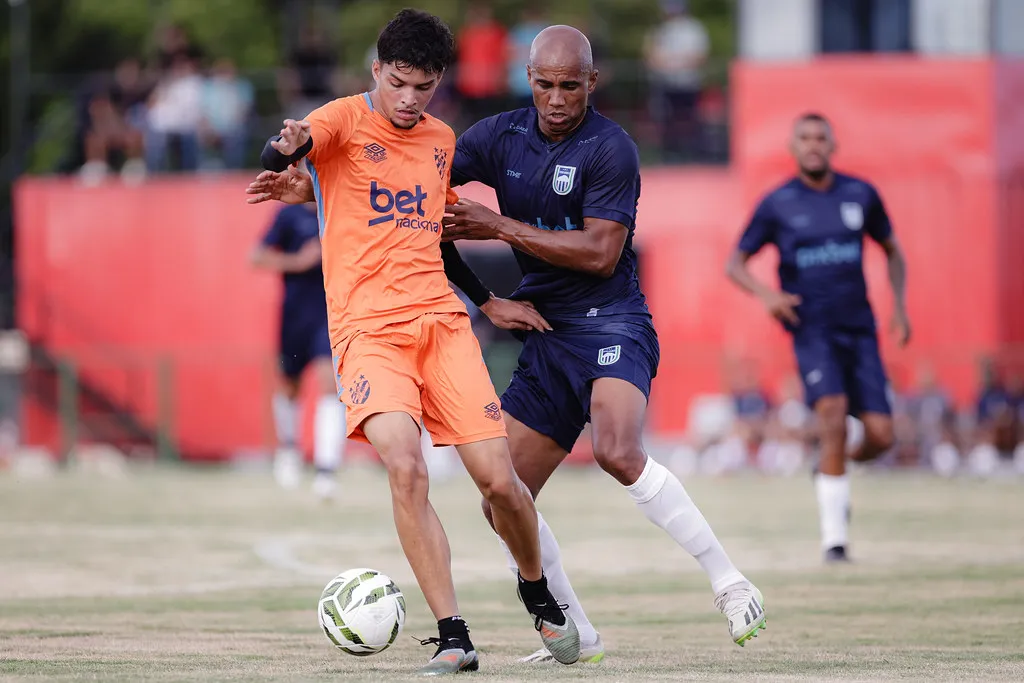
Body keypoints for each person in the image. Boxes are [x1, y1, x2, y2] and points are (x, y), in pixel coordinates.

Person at [247, 24, 768, 663]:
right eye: (544, 85)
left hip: (607, 318)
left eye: (569, 86)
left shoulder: (611, 148)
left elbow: (602, 254)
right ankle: (553, 627)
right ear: (528, 79)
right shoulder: (484, 137)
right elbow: (407, 201)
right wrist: (311, 182)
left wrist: (496, 228)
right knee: (482, 491)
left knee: (615, 450)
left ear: (591, 84)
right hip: (515, 325)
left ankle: (729, 581)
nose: (555, 98)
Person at [253, 9, 579, 675]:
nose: (408, 99)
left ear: (438, 84)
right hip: (368, 331)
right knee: (406, 464)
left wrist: (488, 301)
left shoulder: (440, 139)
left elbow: (434, 234)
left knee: (502, 486)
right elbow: (289, 148)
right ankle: (454, 634)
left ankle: (535, 585)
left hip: (442, 325)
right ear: (377, 71)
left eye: (423, 86)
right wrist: (288, 153)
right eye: (398, 82)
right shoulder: (344, 118)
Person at [725, 112, 911, 563]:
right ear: (793, 147)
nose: (813, 145)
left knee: (883, 436)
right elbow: (735, 263)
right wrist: (768, 295)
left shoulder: (860, 194)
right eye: (804, 138)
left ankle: (831, 465)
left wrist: (901, 307)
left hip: (860, 328)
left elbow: (892, 250)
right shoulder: (778, 203)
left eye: (821, 138)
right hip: (811, 329)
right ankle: (835, 542)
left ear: (833, 146)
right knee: (832, 412)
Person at [250, 203, 344, 499]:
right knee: (290, 386)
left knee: (331, 384)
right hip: (294, 316)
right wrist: (299, 261)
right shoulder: (288, 214)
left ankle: (326, 469)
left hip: (329, 315)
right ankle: (288, 450)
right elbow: (256, 257)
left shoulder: (337, 206)